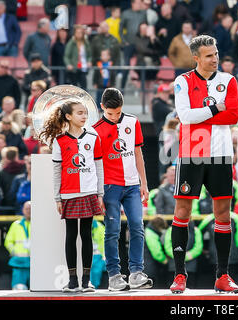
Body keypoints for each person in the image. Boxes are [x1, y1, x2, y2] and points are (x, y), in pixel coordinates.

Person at [169, 35, 238, 294]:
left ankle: (223, 275)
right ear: (196, 58)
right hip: (192, 152)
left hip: (221, 154)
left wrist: (207, 114)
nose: (215, 59)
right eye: (209, 55)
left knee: (223, 214)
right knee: (182, 213)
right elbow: (185, 116)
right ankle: (179, 275)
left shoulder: (228, 80)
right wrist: (215, 110)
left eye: (216, 53)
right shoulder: (182, 81)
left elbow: (233, 115)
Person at [38, 101, 104, 293]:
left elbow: (98, 166)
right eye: (80, 113)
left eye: (85, 113)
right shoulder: (59, 141)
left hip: (89, 192)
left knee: (86, 235)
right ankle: (72, 280)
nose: (84, 117)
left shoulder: (93, 137)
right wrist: (57, 197)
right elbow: (57, 171)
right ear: (68, 116)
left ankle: (87, 280)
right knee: (70, 235)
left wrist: (100, 193)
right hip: (68, 193)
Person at [92, 88, 152, 291]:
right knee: (112, 231)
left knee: (137, 226)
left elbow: (138, 153)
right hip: (110, 186)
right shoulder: (95, 129)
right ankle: (114, 276)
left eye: (118, 113)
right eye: (110, 114)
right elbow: (95, 164)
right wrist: (98, 192)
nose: (115, 117)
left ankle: (136, 272)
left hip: (133, 184)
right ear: (102, 108)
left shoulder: (133, 121)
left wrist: (144, 183)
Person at [164, 220, 203, 289]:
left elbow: (198, 247)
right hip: (174, 266)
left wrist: (184, 256)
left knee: (191, 289)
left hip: (191, 267)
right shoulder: (171, 229)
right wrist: (179, 255)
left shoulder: (196, 230)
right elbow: (167, 246)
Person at [119, 0, 148, 89]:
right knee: (126, 65)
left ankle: (143, 89)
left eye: (140, 3)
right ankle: (122, 88)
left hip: (139, 43)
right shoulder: (125, 13)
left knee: (142, 64)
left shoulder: (143, 14)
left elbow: (145, 28)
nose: (140, 5)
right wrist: (124, 41)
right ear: (132, 3)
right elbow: (120, 30)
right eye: (138, 3)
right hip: (129, 43)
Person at [4, 201, 31, 290]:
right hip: (19, 263)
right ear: (23, 210)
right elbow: (8, 241)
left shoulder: (38, 225)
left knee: (37, 292)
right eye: (27, 209)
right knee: (18, 289)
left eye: (30, 209)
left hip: (34, 263)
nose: (29, 211)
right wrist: (14, 251)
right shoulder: (16, 225)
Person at [144, 216, 169, 288]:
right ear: (159, 227)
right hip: (149, 270)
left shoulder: (147, 231)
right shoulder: (151, 234)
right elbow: (157, 253)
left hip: (144, 268)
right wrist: (165, 260)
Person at [64, 25, 91, 90]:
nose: (79, 34)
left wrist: (89, 61)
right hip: (74, 68)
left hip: (83, 67)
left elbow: (89, 55)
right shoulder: (71, 43)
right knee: (74, 88)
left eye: (80, 32)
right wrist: (68, 64)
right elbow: (66, 56)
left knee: (84, 87)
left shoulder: (86, 42)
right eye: (77, 32)